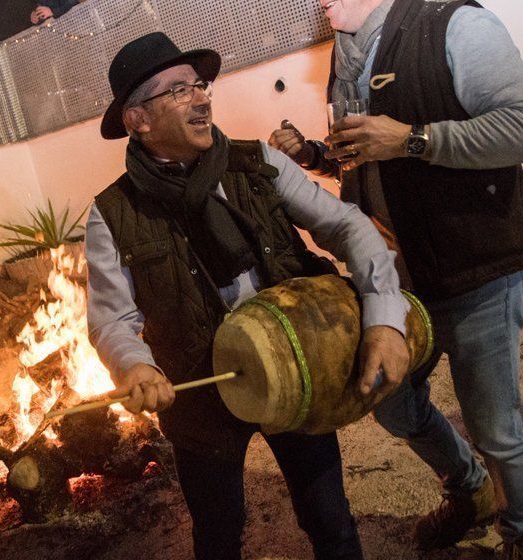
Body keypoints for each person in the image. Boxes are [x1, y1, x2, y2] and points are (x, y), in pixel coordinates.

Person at [87, 32, 413, 560]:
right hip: (198, 398)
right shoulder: (112, 214)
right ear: (137, 119)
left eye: (199, 84)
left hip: (295, 370)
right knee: (217, 536)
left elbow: (349, 226)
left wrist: (383, 318)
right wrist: (134, 368)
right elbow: (111, 320)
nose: (200, 98)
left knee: (330, 521)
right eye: (177, 91)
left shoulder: (257, 164)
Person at [269, 1, 523, 558]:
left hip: (477, 263)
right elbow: (366, 154)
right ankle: (470, 491)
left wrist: (413, 140)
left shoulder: (456, 24)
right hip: (402, 278)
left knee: (495, 424)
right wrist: (313, 154)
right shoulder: (345, 52)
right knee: (392, 405)